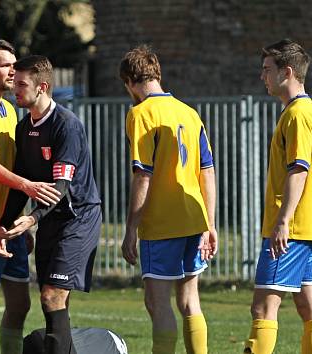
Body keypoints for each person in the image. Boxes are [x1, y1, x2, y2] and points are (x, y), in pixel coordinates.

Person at [0, 55, 102, 354]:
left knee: (52, 296)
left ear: (42, 87)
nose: (13, 89)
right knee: (52, 301)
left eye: (21, 84)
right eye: (13, 82)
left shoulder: (66, 126)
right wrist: (4, 224)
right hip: (50, 220)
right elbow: (22, 181)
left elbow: (60, 187)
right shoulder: (23, 126)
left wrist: (31, 219)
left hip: (77, 218)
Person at [0, 41, 61, 354]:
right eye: (4, 65)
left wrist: (22, 223)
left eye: (14, 64)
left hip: (8, 225)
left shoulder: (9, 109)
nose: (11, 70)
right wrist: (28, 186)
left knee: (20, 304)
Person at [118, 45, 217, 354]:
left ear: (130, 81)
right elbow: (208, 172)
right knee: (189, 301)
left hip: (162, 222)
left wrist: (131, 228)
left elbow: (143, 175)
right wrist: (209, 223)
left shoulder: (140, 114)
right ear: (157, 74)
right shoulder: (189, 112)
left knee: (157, 302)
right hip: (194, 217)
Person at [244, 39, 312, 354]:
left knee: (262, 309)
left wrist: (283, 221)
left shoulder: (297, 115)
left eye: (267, 69)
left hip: (290, 231)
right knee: (310, 309)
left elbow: (299, 170)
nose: (262, 76)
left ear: (287, 71)